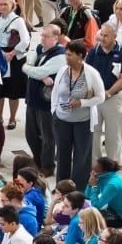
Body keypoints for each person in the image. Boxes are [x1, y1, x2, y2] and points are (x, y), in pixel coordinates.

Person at [52, 40, 106, 188]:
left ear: (79, 56)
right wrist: (54, 111)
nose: (66, 57)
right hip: (62, 120)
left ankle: (78, 190)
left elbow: (101, 97)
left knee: (82, 157)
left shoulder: (91, 73)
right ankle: (61, 188)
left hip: (83, 121)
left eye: (70, 55)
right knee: (62, 156)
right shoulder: (63, 71)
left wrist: (81, 103)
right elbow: (55, 92)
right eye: (66, 54)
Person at [22, 24, 67, 176]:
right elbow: (29, 61)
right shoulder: (40, 49)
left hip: (46, 104)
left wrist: (32, 70)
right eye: (41, 35)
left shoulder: (60, 55)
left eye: (45, 36)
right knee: (31, 134)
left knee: (48, 137)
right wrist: (38, 73)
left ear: (56, 38)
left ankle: (47, 166)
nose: (42, 39)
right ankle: (38, 160)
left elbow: (38, 70)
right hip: (32, 99)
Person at [86, 24, 122, 163]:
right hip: (96, 99)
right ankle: (95, 165)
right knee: (93, 133)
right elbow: (87, 72)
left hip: (114, 98)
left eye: (106, 36)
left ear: (114, 36)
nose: (103, 38)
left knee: (114, 135)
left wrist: (108, 93)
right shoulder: (94, 51)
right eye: (102, 35)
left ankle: (112, 164)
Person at [0, 0, 30, 129]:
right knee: (0, 90)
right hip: (1, 57)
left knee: (14, 91)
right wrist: (1, 54)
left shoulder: (18, 21)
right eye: (0, 4)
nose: (3, 7)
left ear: (12, 5)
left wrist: (12, 53)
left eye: (6, 4)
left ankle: (12, 118)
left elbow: (25, 40)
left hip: (15, 58)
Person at [86, 157, 122, 227]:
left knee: (87, 219)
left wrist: (94, 186)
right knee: (83, 210)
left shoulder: (112, 185)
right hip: (111, 208)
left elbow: (96, 206)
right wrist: (90, 184)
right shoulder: (102, 176)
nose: (93, 173)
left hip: (121, 217)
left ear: (104, 171)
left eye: (96, 170)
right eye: (93, 170)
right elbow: (87, 196)